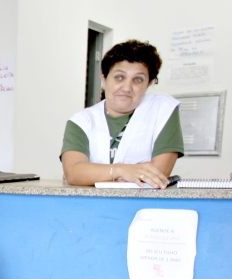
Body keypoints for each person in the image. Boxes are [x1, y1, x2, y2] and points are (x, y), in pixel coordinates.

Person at [61, 40, 184, 189]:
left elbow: (157, 174)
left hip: (142, 201)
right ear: (104, 78)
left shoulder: (163, 109)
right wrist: (123, 170)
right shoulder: (81, 121)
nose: (127, 87)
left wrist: (94, 173)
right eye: (119, 77)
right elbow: (73, 173)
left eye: (138, 80)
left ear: (149, 83)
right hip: (91, 201)